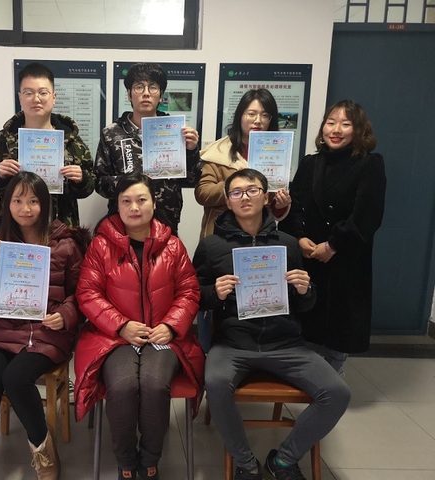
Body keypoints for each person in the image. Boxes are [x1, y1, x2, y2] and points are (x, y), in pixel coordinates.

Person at [193, 168, 351, 480]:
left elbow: (305, 305)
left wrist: (306, 289)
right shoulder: (211, 246)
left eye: (252, 190)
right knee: (216, 384)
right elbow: (194, 297)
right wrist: (214, 292)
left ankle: (283, 461)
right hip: (233, 344)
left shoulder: (288, 244)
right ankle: (246, 463)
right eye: (236, 192)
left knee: (337, 392)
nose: (245, 197)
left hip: (285, 343)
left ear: (265, 197)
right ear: (227, 201)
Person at [74, 173, 205, 480]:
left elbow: (189, 292)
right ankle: (125, 462)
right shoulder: (100, 246)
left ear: (153, 203)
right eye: (126, 201)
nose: (134, 207)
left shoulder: (173, 245)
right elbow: (87, 293)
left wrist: (171, 326)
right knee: (123, 386)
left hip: (163, 337)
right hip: (115, 338)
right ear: (117, 206)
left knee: (154, 383)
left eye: (141, 199)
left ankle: (149, 459)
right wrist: (121, 326)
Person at [0, 172, 89, 480]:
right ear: (7, 204)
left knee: (16, 378)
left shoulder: (66, 244)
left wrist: (66, 314)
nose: (25, 208)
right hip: (0, 329)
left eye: (33, 201)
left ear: (45, 204)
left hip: (46, 333)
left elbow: (82, 293)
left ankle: (41, 445)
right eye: (17, 200)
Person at [279, 100, 386, 375]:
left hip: (346, 258)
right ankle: (309, 380)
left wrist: (332, 245)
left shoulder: (370, 164)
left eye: (345, 124)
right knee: (308, 324)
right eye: (331, 122)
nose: (336, 130)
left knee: (340, 328)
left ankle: (330, 384)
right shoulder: (310, 162)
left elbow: (367, 215)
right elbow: (296, 205)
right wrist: (299, 237)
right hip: (310, 256)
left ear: (358, 129)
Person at [0, 62, 94, 227]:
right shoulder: (1, 141)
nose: (36, 99)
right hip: (15, 229)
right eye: (28, 93)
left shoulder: (73, 142)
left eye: (43, 92)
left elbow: (89, 187)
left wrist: (81, 179)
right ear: (20, 97)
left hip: (61, 229)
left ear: (54, 97)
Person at [94, 63, 200, 233]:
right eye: (139, 87)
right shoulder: (111, 133)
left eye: (153, 87)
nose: (146, 93)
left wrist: (192, 151)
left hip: (166, 220)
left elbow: (192, 180)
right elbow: (99, 183)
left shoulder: (176, 131)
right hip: (125, 222)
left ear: (161, 95)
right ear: (129, 94)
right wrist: (132, 181)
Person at [195, 88, 291, 239]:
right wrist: (235, 182)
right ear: (240, 115)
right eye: (251, 114)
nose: (258, 120)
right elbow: (203, 194)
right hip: (221, 233)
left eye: (265, 115)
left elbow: (272, 203)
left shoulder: (276, 155)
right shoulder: (218, 151)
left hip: (259, 235)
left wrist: (280, 205)